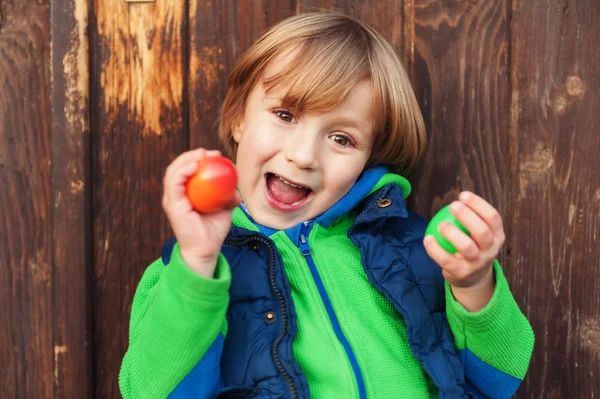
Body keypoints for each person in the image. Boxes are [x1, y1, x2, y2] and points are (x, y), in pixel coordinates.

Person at [119, 12, 534, 399]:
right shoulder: (184, 276)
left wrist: (474, 283)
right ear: (239, 118)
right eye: (286, 114)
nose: (303, 155)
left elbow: (499, 379)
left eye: (342, 139)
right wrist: (196, 264)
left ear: (367, 161)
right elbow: (149, 390)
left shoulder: (413, 252)